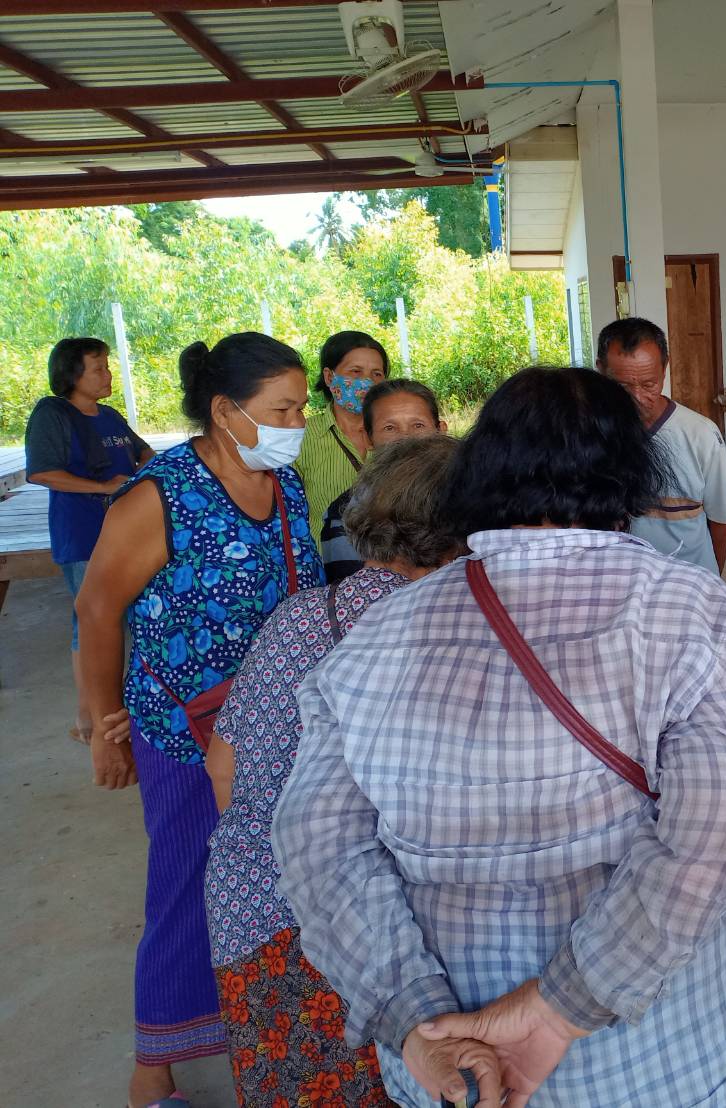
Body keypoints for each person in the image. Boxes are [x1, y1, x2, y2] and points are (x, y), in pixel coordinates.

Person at [274, 366, 726, 1108]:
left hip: (448, 1071)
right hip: (662, 1060)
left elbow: (317, 845)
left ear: (481, 472)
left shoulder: (376, 634)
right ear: (629, 477)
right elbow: (717, 835)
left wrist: (416, 1020)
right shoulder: (698, 612)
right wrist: (560, 1009)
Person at [75, 332, 324, 1108]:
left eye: (301, 408)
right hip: (184, 735)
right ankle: (153, 1073)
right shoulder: (161, 495)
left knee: (280, 886)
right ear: (225, 411)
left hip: (279, 731)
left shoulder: (284, 486)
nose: (297, 424)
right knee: (185, 890)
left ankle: (266, 1037)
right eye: (281, 410)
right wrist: (104, 723)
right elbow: (97, 609)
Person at [204, 435, 464, 1108]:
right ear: (459, 538)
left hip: (253, 911)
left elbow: (222, 763)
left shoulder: (299, 616)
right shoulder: (446, 630)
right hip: (379, 929)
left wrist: (275, 859)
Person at [23, 337, 152, 744]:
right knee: (92, 622)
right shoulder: (53, 415)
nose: (108, 374)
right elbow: (41, 472)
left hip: (126, 533)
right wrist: (103, 486)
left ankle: (124, 710)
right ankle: (89, 718)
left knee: (132, 619)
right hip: (82, 534)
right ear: (72, 375)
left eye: (107, 366)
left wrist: (144, 477)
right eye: (98, 368)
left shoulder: (109, 416)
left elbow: (144, 453)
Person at [596, 317, 726, 573]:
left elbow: (721, 520)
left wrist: (711, 581)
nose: (636, 398)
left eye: (649, 384)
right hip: (619, 580)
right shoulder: (589, 433)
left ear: (664, 369)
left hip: (686, 580)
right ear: (600, 370)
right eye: (622, 387)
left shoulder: (701, 434)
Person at [319, 379, 447, 582]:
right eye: (389, 428)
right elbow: (351, 592)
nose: (406, 438)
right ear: (367, 439)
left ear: (441, 430)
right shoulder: (344, 514)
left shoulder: (473, 496)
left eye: (418, 425)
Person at [294, 330, 390, 547]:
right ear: (329, 377)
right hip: (328, 562)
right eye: (356, 371)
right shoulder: (302, 436)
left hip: (391, 562)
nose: (367, 382)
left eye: (377, 374)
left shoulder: (398, 433)